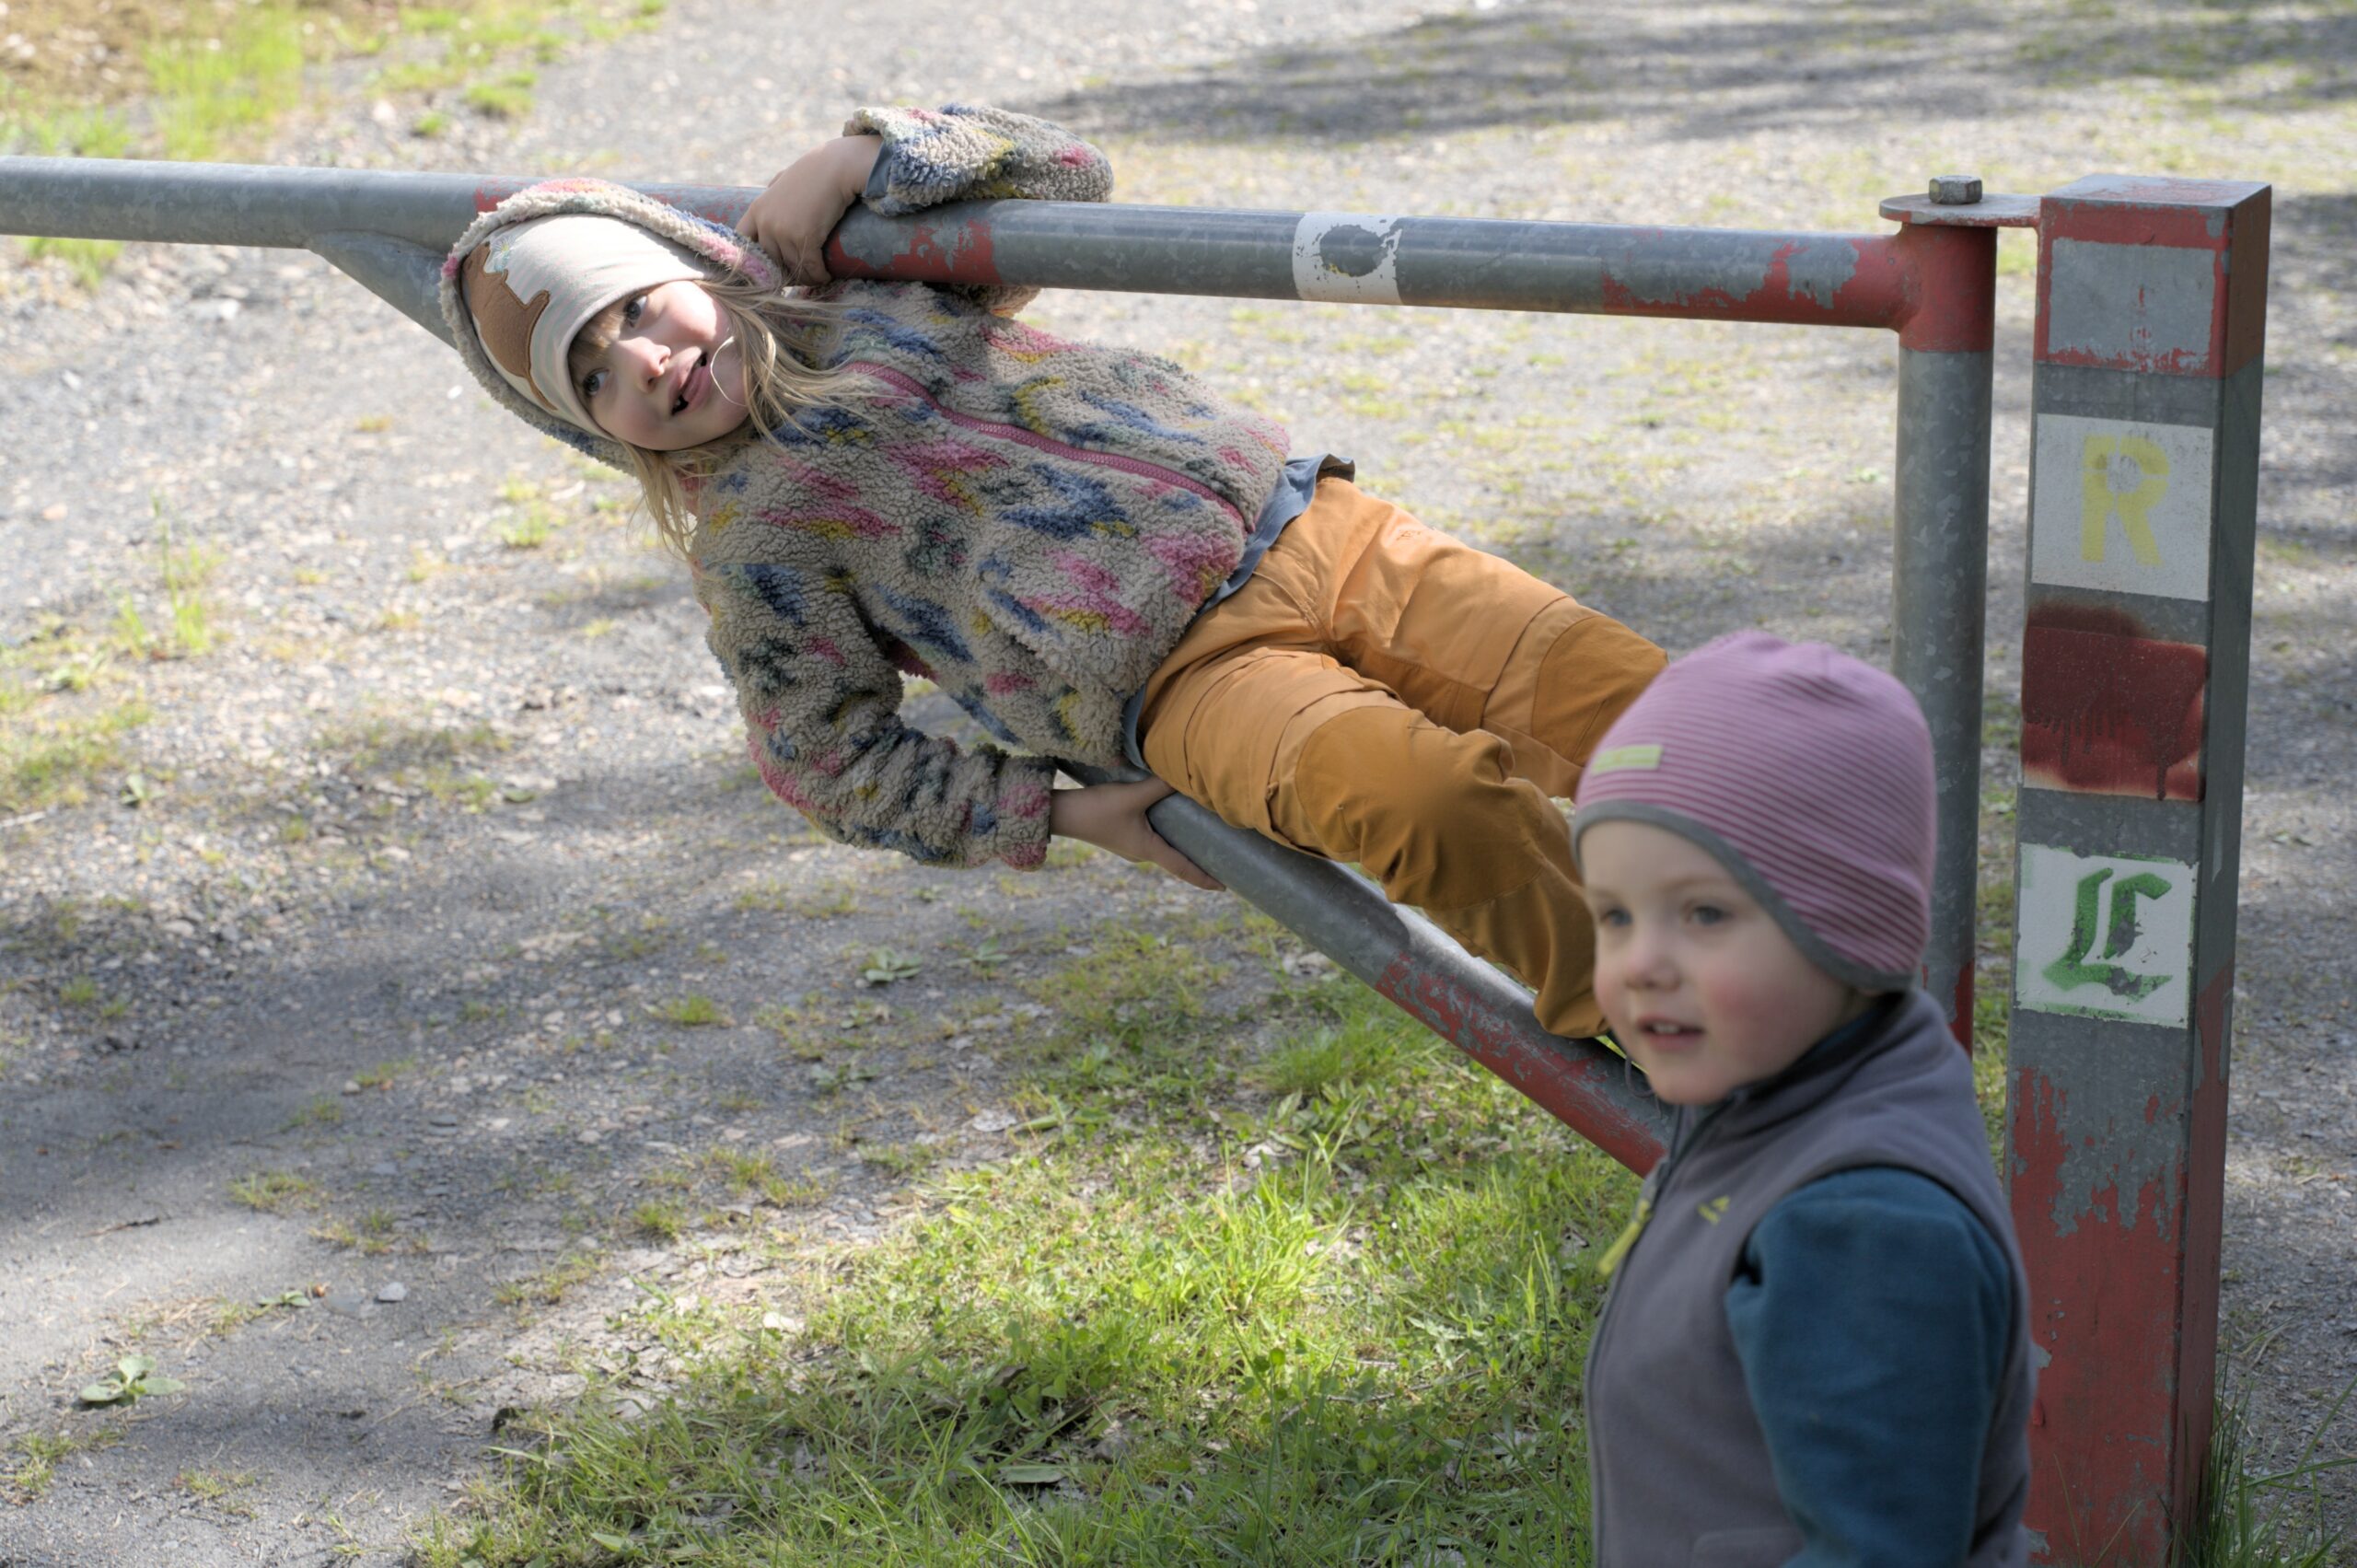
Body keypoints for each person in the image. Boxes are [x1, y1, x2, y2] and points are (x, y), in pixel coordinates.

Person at [438, 103, 1662, 1040]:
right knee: (1432, 804)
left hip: (1317, 528)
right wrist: (1062, 813)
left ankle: (1784, 892)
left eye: (635, 310)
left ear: (691, 266)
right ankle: (1695, 1039)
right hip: (1185, 685)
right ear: (590, 425)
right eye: (592, 376)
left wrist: (861, 152)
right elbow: (826, 760)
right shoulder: (755, 543)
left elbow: (1067, 173)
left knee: (1641, 712)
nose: (644, 363)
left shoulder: (874, 283)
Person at [1571, 632, 2033, 1566]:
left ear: (1845, 928)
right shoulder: (1786, 1087)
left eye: (1704, 912)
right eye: (1613, 914)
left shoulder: (1862, 1226)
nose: (1640, 963)